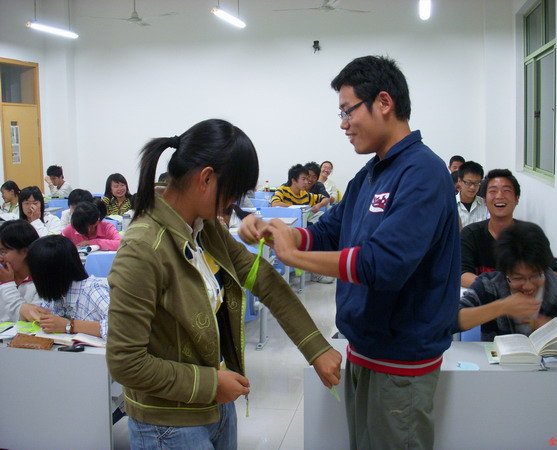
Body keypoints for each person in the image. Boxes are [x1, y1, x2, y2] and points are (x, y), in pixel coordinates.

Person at [240, 55, 460, 449]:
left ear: (384, 102)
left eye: (348, 111)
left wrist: (294, 257)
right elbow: (328, 232)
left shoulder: (423, 172)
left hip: (401, 363)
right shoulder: (370, 175)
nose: (343, 124)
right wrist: (279, 234)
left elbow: (384, 264)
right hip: (364, 351)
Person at [105, 119, 341, 449]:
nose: (233, 204)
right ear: (206, 178)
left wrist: (315, 347)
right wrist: (210, 384)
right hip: (169, 424)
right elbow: (125, 362)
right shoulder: (143, 249)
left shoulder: (205, 228)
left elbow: (265, 281)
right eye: (232, 194)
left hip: (216, 404)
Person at [458, 221, 557, 343]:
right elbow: (452, 321)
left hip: (552, 366)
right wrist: (501, 307)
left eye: (536, 276)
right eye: (517, 278)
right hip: (499, 366)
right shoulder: (489, 286)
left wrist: (554, 328)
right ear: (504, 272)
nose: (528, 286)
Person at [460, 169, 557, 288]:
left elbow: (556, 272)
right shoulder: (470, 234)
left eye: (506, 191)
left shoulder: (531, 234)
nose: (499, 196)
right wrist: (505, 288)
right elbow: (462, 275)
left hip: (526, 296)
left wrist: (523, 286)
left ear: (516, 199)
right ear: (484, 200)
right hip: (486, 298)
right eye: (493, 191)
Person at [26, 235, 109, 338]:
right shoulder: (56, 292)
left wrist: (69, 325)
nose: (31, 277)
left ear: (48, 275)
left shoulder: (93, 290)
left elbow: (120, 327)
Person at [0, 220, 47, 322]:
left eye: (3, 251)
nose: (0, 258)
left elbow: (33, 320)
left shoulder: (43, 281)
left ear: (25, 251)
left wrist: (7, 284)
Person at [456, 160, 488, 228]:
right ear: (459, 181)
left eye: (476, 183)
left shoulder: (485, 205)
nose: (472, 187)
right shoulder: (450, 204)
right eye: (468, 183)